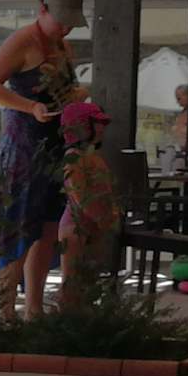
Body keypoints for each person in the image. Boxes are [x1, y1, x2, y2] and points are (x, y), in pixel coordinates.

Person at [0, 0, 89, 321]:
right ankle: (4, 311)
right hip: (24, 148)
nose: (65, 28)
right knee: (19, 228)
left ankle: (34, 308)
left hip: (56, 146)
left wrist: (76, 96)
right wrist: (30, 106)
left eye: (71, 23)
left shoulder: (63, 46)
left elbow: (66, 89)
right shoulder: (22, 41)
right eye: (61, 21)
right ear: (42, 10)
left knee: (47, 229)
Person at [56, 100, 121, 308]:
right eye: (96, 123)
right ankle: (66, 320)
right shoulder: (73, 157)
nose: (102, 129)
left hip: (95, 226)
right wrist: (101, 217)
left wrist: (110, 215)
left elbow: (105, 190)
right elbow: (79, 195)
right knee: (72, 283)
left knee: (89, 283)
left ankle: (85, 319)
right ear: (80, 127)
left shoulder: (93, 156)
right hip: (76, 228)